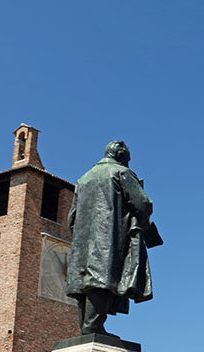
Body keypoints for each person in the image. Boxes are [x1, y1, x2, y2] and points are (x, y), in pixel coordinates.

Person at [66, 140, 157, 336]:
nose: (128, 163)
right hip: (110, 236)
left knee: (84, 284)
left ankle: (87, 328)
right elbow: (142, 204)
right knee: (103, 278)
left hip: (83, 241)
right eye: (128, 159)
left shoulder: (83, 179)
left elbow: (71, 217)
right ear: (121, 155)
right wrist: (142, 224)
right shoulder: (121, 173)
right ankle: (93, 327)